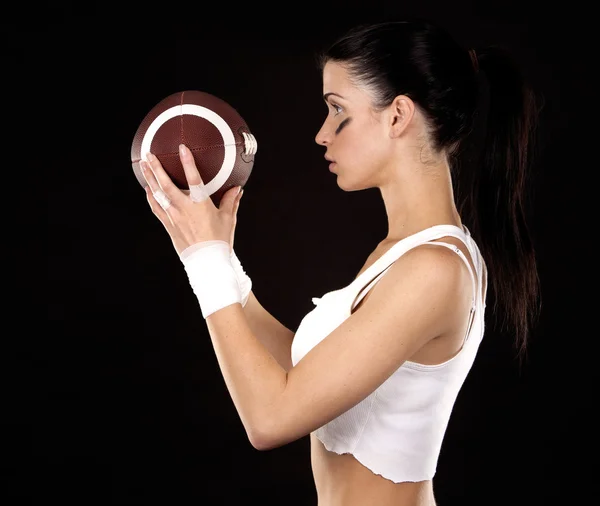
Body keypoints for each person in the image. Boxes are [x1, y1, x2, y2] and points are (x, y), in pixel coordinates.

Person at [138, 18, 541, 506]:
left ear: (397, 116)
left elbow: (269, 419)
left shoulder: (435, 269)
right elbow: (308, 374)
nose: (321, 135)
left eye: (337, 111)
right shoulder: (406, 252)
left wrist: (208, 265)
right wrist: (218, 262)